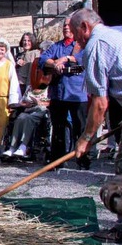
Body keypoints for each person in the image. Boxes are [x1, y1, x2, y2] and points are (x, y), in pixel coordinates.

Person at [71, 8, 122, 244]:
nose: (77, 41)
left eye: (76, 35)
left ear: (85, 27)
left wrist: (85, 139)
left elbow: (99, 103)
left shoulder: (96, 44)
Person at [38, 17, 89, 170]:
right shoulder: (56, 46)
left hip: (76, 94)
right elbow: (42, 59)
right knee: (58, 128)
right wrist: (54, 64)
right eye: (64, 25)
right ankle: (57, 160)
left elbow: (83, 61)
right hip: (58, 93)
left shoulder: (81, 46)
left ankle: (82, 158)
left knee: (80, 128)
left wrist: (66, 58)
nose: (66, 28)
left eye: (69, 25)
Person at [0, 38, 21, 157]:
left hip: (3, 100)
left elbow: (14, 84)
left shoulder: (8, 65)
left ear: (5, 51)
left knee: (3, 125)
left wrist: (13, 103)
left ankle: (2, 149)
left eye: (2, 50)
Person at [2, 86, 50, 158]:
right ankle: (12, 147)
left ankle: (23, 146)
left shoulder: (48, 88)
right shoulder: (30, 87)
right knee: (20, 117)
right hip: (29, 110)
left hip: (41, 111)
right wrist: (25, 104)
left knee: (28, 118)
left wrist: (39, 102)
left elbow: (50, 103)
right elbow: (22, 102)